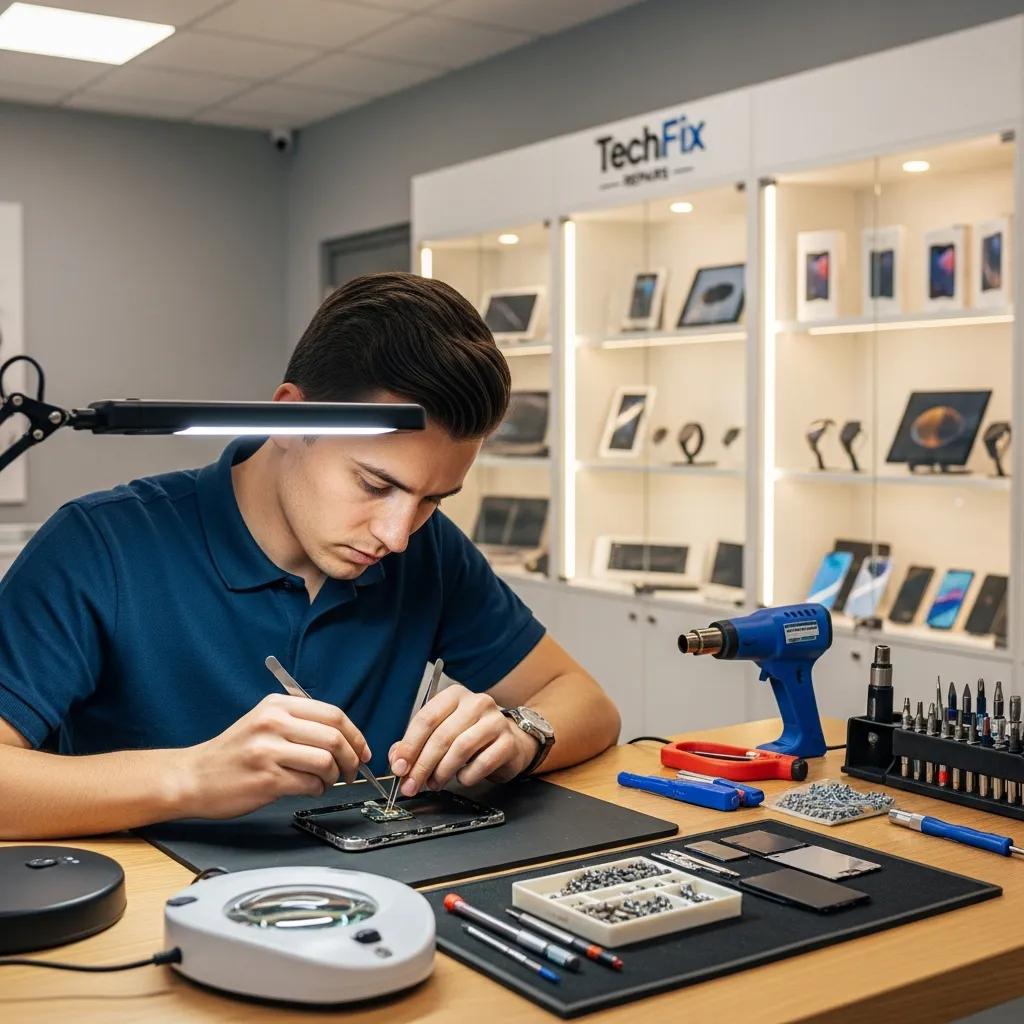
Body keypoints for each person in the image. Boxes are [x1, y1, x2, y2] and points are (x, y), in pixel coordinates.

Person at [0, 272, 620, 839]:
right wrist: (189, 776)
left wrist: (520, 733)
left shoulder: (428, 551)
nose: (398, 534)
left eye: (434, 498)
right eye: (376, 485)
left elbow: (585, 701)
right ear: (291, 417)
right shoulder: (101, 546)